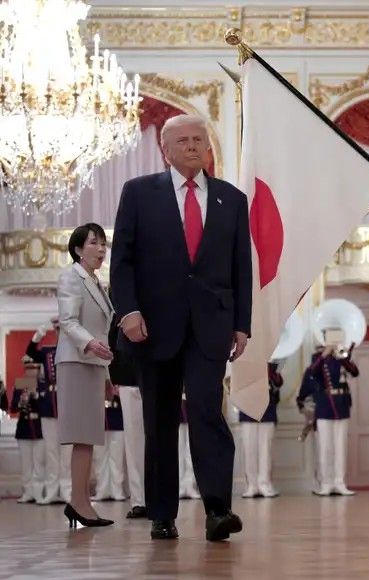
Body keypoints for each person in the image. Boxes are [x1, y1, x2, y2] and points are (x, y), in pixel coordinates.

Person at [110, 114, 252, 541]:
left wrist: (242, 324)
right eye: (183, 140)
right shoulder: (138, 193)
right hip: (153, 327)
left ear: (208, 147)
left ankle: (217, 510)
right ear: (165, 150)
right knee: (160, 419)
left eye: (199, 140)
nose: (193, 146)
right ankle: (161, 513)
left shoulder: (232, 198)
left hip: (211, 325)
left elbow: (240, 267)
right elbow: (122, 261)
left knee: (208, 410)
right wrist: (129, 311)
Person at [55, 222, 115, 528]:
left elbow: (101, 331)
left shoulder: (96, 282)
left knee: (89, 436)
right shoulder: (71, 276)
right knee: (82, 435)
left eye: (104, 243)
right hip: (76, 361)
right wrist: (90, 344)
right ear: (78, 249)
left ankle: (80, 501)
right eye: (94, 243)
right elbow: (68, 321)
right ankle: (79, 502)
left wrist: (106, 378)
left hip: (93, 365)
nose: (102, 249)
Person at [302, 342, 360, 497]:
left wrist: (343, 357)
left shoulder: (342, 356)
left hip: (342, 405)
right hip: (325, 406)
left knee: (341, 447)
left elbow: (355, 372)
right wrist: (324, 355)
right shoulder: (317, 358)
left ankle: (340, 482)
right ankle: (326, 483)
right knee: (326, 447)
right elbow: (313, 372)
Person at [26, 318, 71, 505]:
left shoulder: (73, 351)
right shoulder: (47, 352)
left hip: (67, 406)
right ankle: (52, 491)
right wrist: (40, 332)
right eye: (57, 330)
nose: (60, 333)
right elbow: (29, 352)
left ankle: (67, 491)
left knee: (67, 453)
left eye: (63, 330)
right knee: (51, 452)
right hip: (48, 406)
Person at [107, 311, 146, 518]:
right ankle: (139, 499)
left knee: (160, 437)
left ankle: (161, 496)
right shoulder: (122, 287)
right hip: (128, 373)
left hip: (160, 370)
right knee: (133, 440)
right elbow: (112, 332)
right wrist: (113, 375)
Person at [239, 362, 283, 498]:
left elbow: (279, 382)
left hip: (267, 410)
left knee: (266, 450)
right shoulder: (243, 363)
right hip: (248, 409)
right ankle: (251, 485)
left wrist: (267, 367)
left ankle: (265, 484)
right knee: (249, 449)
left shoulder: (271, 365)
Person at [11, 359, 45, 504]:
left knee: (39, 463)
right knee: (26, 464)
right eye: (28, 369)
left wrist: (35, 396)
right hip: (24, 428)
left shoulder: (43, 385)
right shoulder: (20, 384)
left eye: (33, 369)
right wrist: (21, 402)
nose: (30, 372)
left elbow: (47, 407)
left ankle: (38, 493)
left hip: (38, 428)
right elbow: (12, 407)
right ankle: (27, 493)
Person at [92, 394, 127, 502]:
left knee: (117, 458)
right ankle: (101, 490)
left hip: (117, 414)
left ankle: (117, 490)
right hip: (98, 416)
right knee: (100, 457)